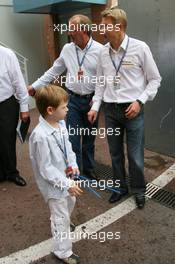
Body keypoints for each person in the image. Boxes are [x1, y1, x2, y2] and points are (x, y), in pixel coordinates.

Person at [88, 7, 161, 209]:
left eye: (105, 26)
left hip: (133, 110)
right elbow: (100, 83)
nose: (101, 30)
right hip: (110, 111)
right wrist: (95, 106)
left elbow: (155, 80)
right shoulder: (103, 52)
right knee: (115, 153)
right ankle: (120, 188)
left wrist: (140, 101)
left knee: (135, 156)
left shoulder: (140, 48)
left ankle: (139, 190)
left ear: (118, 26)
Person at [28, 14, 103, 179]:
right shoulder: (68, 49)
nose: (69, 32)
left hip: (91, 100)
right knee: (73, 138)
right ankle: (74, 172)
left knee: (89, 139)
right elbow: (54, 70)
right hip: (72, 101)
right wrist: (35, 86)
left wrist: (96, 104)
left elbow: (102, 81)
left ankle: (89, 169)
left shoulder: (100, 50)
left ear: (83, 30)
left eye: (72, 29)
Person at [29, 85, 82, 264]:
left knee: (70, 201)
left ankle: (61, 221)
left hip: (66, 177)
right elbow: (46, 169)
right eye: (64, 107)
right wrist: (67, 184)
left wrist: (73, 165)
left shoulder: (61, 124)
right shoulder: (40, 136)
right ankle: (63, 251)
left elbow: (68, 148)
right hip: (53, 184)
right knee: (60, 216)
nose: (67, 109)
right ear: (50, 110)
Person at [0, 45, 29, 186]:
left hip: (6, 103)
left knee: (7, 138)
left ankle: (12, 172)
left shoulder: (7, 54)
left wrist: (24, 107)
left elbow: (18, 81)